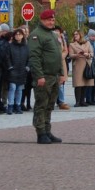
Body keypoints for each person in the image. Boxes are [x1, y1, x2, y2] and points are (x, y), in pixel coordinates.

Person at [28, 8, 67, 144]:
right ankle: (41, 132)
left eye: (52, 20)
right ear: (42, 20)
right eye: (49, 20)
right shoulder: (36, 35)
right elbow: (34, 58)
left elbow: (58, 56)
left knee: (50, 105)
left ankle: (47, 130)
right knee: (41, 104)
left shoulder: (52, 34)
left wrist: (61, 73)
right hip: (44, 76)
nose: (51, 22)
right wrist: (39, 76)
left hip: (54, 75)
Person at [69, 30, 94, 107]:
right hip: (77, 65)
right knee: (78, 84)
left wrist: (87, 54)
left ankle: (83, 101)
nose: (75, 35)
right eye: (74, 34)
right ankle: (77, 101)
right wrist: (76, 55)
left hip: (86, 64)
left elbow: (92, 53)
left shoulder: (87, 43)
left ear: (80, 35)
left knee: (85, 83)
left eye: (77, 34)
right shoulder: (72, 44)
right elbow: (70, 55)